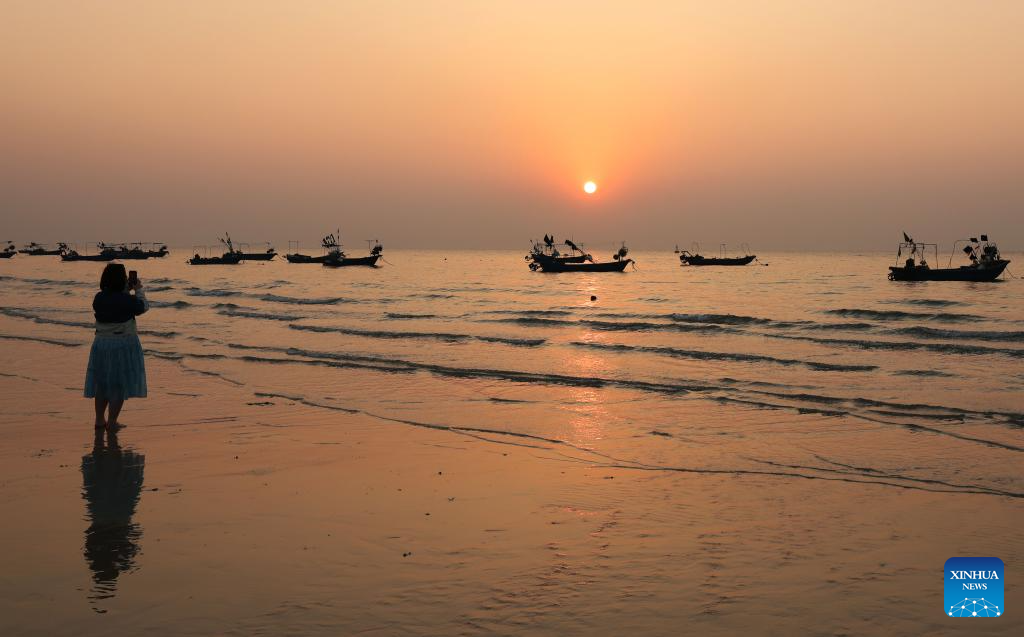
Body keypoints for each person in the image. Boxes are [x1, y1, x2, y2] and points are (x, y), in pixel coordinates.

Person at [85, 263, 149, 429]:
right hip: (122, 343)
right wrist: (139, 289)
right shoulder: (126, 300)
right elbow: (142, 307)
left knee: (103, 383)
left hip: (101, 343)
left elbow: (115, 303)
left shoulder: (98, 298)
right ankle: (112, 421)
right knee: (118, 384)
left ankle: (99, 420)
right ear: (122, 280)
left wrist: (126, 292)